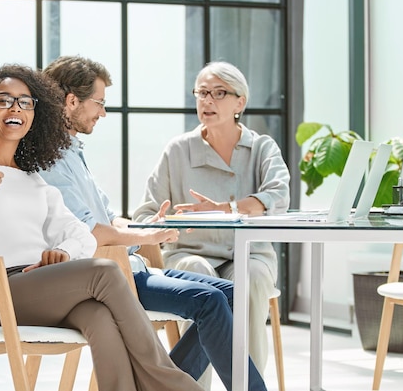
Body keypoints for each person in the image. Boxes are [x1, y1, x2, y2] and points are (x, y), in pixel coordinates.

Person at [0, 64, 202, 391]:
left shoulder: (33, 179)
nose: (15, 108)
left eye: (25, 102)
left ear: (35, 116)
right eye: (4, 100)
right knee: (106, 273)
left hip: (41, 285)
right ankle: (174, 384)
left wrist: (62, 252)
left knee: (99, 317)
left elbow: (78, 234)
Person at [40, 55, 267, 391]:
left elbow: (109, 217)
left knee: (234, 295)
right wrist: (148, 233)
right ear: (72, 101)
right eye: (99, 103)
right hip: (108, 276)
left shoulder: (72, 152)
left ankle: (164, 383)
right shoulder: (50, 162)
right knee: (210, 301)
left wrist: (149, 225)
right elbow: (91, 232)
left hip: (131, 266)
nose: (102, 112)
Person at [133, 60, 291, 374]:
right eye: (202, 92)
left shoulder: (261, 148)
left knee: (254, 278)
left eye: (219, 93)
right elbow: (146, 213)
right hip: (190, 253)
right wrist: (164, 225)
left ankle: (247, 383)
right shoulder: (178, 151)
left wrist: (225, 210)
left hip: (249, 253)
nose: (208, 100)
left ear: (240, 102)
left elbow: (277, 196)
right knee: (197, 271)